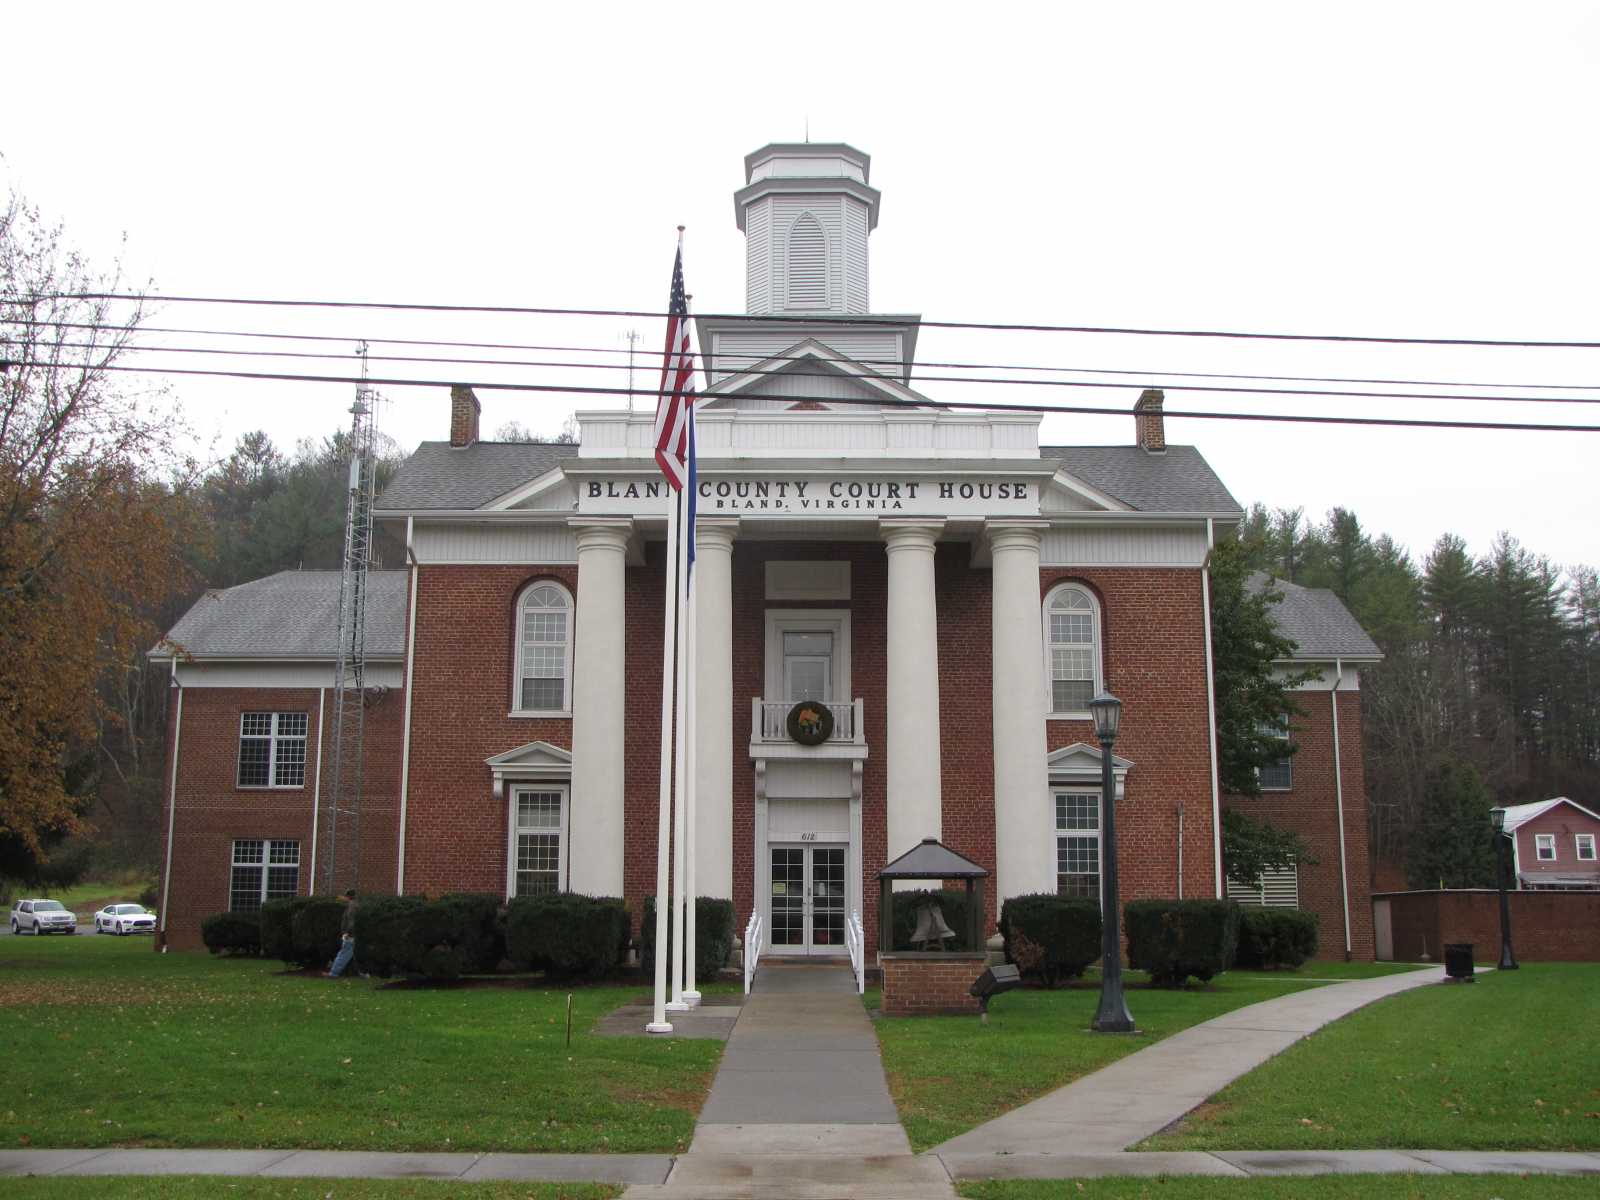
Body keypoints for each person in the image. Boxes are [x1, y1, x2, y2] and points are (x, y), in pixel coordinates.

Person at [325, 890, 359, 978]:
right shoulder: (353, 905)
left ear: (348, 897)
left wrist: (347, 932)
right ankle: (361, 973)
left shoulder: (352, 906)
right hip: (354, 935)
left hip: (350, 935)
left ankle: (333, 973)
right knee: (353, 955)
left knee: (343, 954)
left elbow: (351, 921)